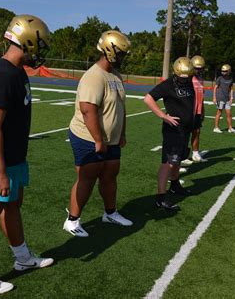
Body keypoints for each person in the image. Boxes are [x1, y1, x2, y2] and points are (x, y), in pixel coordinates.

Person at [0, 15, 54, 294]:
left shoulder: (17, 72)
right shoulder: (3, 75)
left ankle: (23, 259)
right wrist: (0, 170)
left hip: (13, 156)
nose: (39, 53)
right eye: (38, 46)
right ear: (27, 40)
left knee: (13, 205)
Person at [63, 30, 133, 237]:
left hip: (110, 139)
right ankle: (72, 220)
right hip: (88, 137)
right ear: (109, 50)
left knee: (110, 175)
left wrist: (121, 133)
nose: (122, 57)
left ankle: (110, 213)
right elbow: (87, 109)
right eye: (120, 53)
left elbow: (121, 107)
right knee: (87, 177)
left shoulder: (115, 75)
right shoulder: (94, 76)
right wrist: (98, 139)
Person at [144, 57, 195, 210]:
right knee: (168, 162)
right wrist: (163, 116)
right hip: (173, 131)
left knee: (178, 159)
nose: (185, 81)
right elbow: (148, 99)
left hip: (185, 129)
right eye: (182, 78)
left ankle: (175, 185)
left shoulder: (190, 82)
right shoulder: (168, 85)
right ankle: (160, 198)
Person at [190, 55, 207, 163]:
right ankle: (181, 156)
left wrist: (203, 111)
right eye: (196, 68)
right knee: (184, 134)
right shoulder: (188, 79)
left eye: (200, 68)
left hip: (198, 110)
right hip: (188, 111)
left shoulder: (201, 79)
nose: (198, 70)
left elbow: (202, 97)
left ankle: (195, 153)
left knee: (197, 131)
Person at [213, 64, 235, 133]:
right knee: (219, 113)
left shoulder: (231, 79)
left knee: (229, 113)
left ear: (229, 71)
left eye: (225, 71)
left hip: (227, 99)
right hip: (220, 98)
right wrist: (214, 98)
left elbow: (231, 89)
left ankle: (230, 128)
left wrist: (231, 98)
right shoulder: (219, 78)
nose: (223, 72)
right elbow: (215, 88)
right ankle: (216, 127)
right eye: (222, 71)